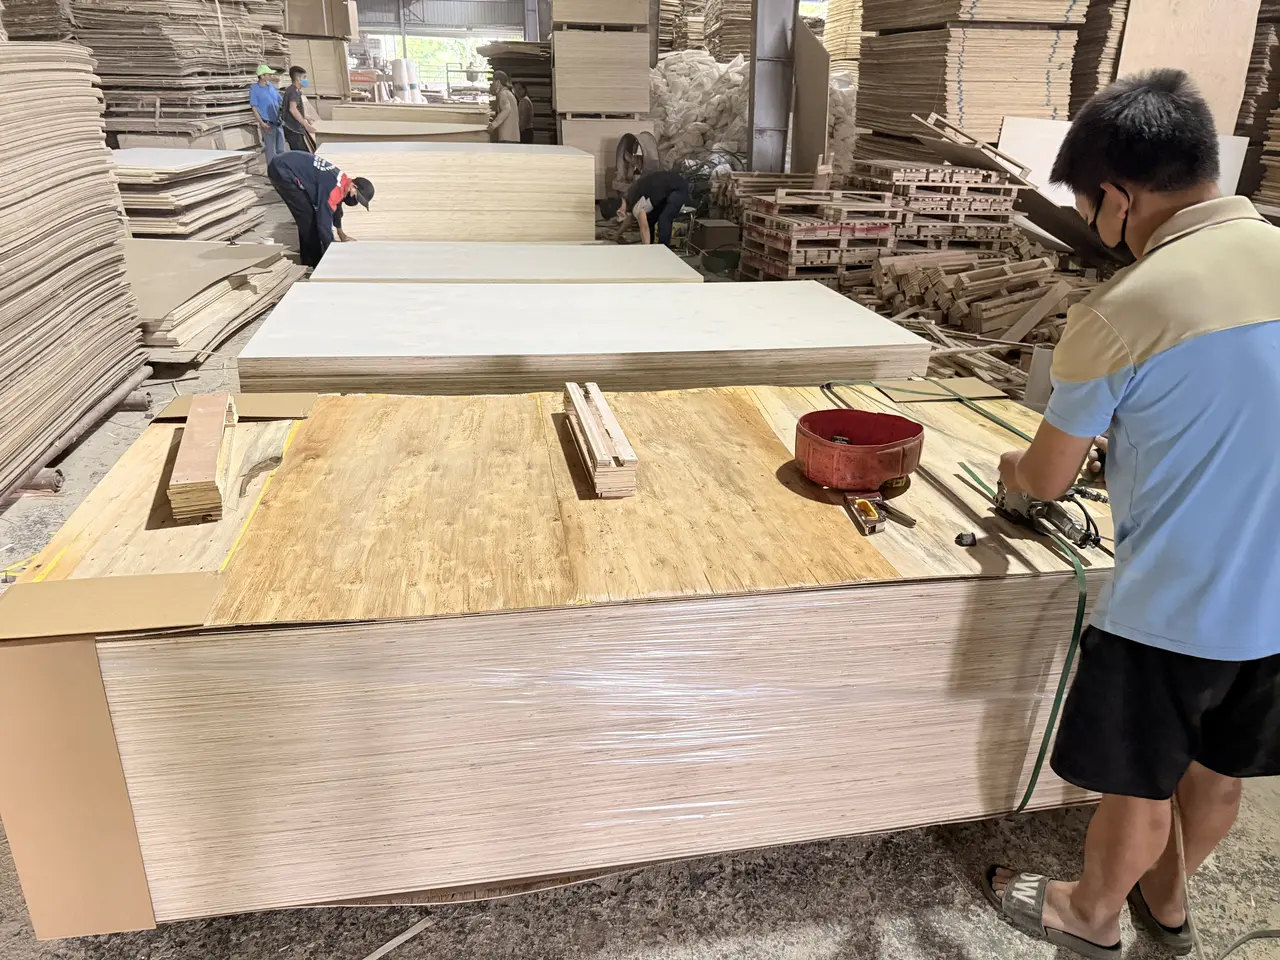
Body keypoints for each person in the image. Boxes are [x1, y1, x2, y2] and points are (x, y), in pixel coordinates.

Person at [984, 68, 1280, 959]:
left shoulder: (1124, 309)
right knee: (1220, 773)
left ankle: (1089, 915)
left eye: (1087, 206)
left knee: (1139, 786)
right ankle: (1172, 900)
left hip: (1175, 608)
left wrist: (1016, 468)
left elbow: (1043, 478)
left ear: (1116, 196)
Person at [267, 151, 374, 268]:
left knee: (311, 216)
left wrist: (340, 232)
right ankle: (312, 263)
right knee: (307, 218)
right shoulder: (333, 190)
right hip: (282, 170)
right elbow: (323, 224)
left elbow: (337, 208)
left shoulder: (342, 180)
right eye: (356, 196)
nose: (355, 200)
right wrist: (332, 251)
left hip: (288, 162)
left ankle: (311, 256)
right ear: (354, 186)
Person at [612, 170, 690, 246]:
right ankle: (652, 246)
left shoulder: (636, 205)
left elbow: (644, 227)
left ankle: (663, 251)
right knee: (650, 220)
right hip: (665, 190)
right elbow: (628, 221)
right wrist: (617, 235)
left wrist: (645, 250)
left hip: (678, 188)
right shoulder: (627, 199)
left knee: (664, 220)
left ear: (619, 212)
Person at [250, 65, 286, 163]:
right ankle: (272, 174)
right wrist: (262, 123)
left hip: (278, 122)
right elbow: (254, 108)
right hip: (267, 124)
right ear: (262, 76)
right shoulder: (254, 89)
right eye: (268, 74)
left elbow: (280, 100)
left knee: (281, 150)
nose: (271, 76)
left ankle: (283, 172)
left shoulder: (270, 86)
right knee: (271, 151)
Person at [281, 65, 317, 153]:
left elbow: (295, 108)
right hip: (293, 128)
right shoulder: (294, 92)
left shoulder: (292, 90)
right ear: (298, 78)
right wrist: (306, 125)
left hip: (292, 128)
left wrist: (305, 116)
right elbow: (292, 109)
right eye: (304, 77)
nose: (306, 80)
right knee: (301, 154)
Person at [487, 70, 520, 144]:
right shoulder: (509, 93)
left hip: (507, 136)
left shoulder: (503, 94)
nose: (492, 84)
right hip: (513, 136)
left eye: (493, 82)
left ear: (498, 82)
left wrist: (493, 125)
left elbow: (506, 109)